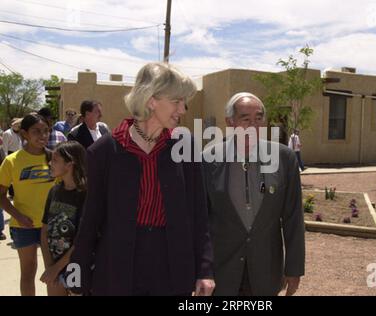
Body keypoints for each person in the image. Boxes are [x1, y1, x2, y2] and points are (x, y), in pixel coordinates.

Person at [69, 62, 214, 296]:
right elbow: (91, 216)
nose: (183, 110)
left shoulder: (185, 147)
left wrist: (205, 270)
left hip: (172, 268)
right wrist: (78, 276)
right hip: (118, 269)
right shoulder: (104, 151)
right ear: (151, 99)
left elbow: (199, 214)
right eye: (177, 101)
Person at [202, 92, 305, 296]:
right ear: (229, 122)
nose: (253, 126)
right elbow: (201, 222)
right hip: (222, 273)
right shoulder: (207, 159)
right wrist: (201, 271)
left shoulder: (284, 158)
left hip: (266, 272)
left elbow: (293, 218)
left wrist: (294, 269)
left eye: (259, 118)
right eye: (245, 119)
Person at [0, 114, 55, 296]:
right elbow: (1, 195)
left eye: (46, 131)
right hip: (24, 226)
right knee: (29, 271)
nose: (43, 135)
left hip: (51, 226)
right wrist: (19, 216)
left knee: (52, 272)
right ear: (24, 134)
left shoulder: (55, 158)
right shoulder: (12, 161)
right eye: (36, 131)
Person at [40, 141, 87, 296]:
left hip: (76, 267)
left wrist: (56, 268)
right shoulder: (54, 191)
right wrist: (49, 266)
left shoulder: (85, 195)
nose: (49, 163)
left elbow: (83, 241)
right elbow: (44, 230)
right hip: (53, 264)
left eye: (55, 160)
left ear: (69, 164)